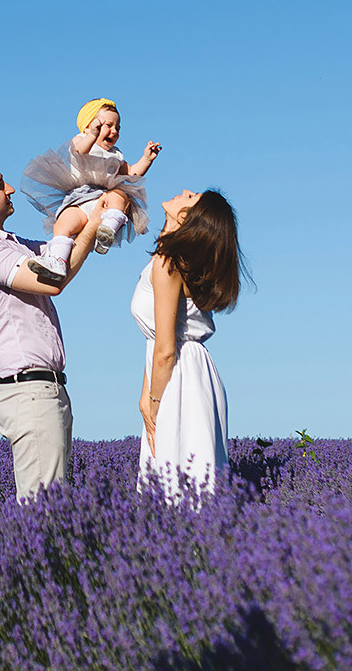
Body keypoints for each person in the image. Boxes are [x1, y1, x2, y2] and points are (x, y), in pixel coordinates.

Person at [0, 158, 98, 500]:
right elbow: (51, 280)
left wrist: (94, 215)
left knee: (53, 504)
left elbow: (62, 258)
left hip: (44, 389)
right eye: (0, 185)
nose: (10, 188)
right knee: (43, 510)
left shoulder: (10, 242)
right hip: (30, 392)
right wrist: (76, 229)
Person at [133, 188, 241, 502]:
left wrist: (154, 405)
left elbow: (166, 347)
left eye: (192, 197)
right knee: (186, 482)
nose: (185, 192)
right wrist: (145, 395)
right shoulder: (169, 259)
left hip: (179, 375)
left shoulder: (168, 263)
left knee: (178, 483)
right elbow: (156, 338)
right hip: (183, 372)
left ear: (187, 217)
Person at [20, 97, 161, 283]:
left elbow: (132, 173)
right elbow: (79, 151)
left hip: (104, 194)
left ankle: (107, 230)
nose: (114, 131)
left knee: (120, 195)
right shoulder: (81, 140)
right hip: (79, 198)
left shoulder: (116, 154)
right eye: (108, 125)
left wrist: (147, 159)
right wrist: (91, 136)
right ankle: (57, 261)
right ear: (88, 126)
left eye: (118, 127)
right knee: (62, 225)